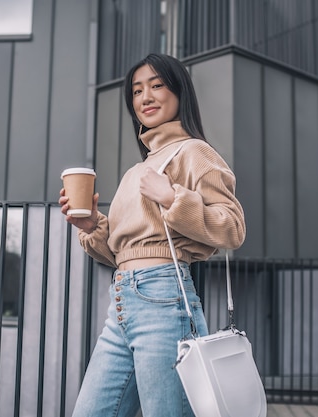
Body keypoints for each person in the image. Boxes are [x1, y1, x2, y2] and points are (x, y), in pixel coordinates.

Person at [59, 53, 246, 417]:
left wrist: (172, 196)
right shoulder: (137, 171)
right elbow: (123, 253)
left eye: (157, 85)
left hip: (164, 298)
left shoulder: (194, 152)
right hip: (123, 303)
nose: (145, 96)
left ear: (179, 92)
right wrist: (92, 227)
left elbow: (232, 227)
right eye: (137, 90)